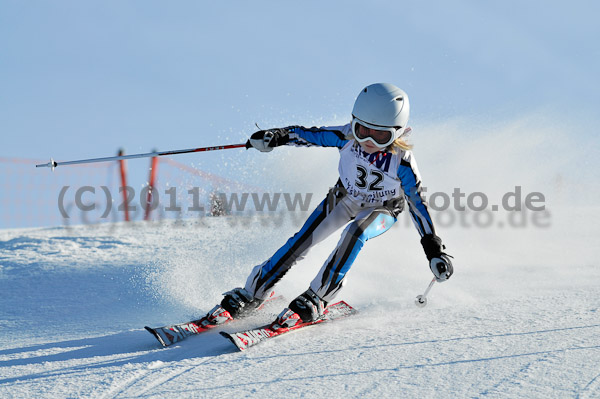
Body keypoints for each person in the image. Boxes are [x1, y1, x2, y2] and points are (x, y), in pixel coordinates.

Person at [204, 83, 454, 328]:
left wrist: (433, 249)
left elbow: (417, 204)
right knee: (303, 240)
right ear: (353, 122)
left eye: (380, 135)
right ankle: (253, 292)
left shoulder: (402, 162)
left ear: (399, 133)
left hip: (383, 207)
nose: (368, 139)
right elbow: (307, 135)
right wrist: (276, 137)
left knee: (356, 232)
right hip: (345, 196)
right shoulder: (346, 136)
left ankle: (318, 296)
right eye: (362, 129)